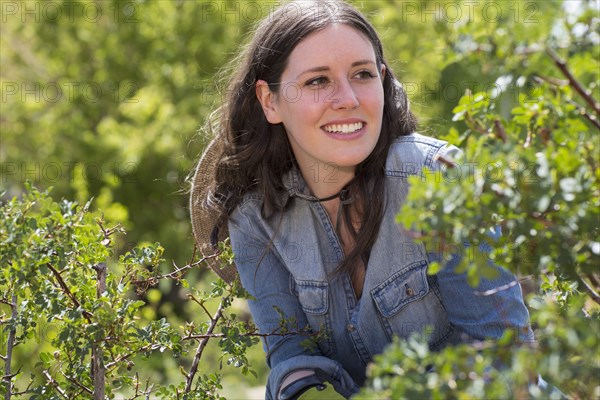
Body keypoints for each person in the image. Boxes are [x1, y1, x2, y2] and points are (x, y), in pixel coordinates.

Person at [189, 1, 535, 398]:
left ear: (382, 81)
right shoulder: (255, 217)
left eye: (363, 74)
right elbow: (290, 354)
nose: (348, 98)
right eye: (318, 81)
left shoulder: (435, 177)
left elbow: (506, 356)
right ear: (270, 101)